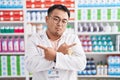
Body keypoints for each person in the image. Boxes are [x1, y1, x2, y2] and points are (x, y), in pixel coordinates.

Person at [25, 4, 86, 80]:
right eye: (56, 19)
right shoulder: (34, 39)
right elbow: (30, 65)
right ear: (47, 19)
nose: (60, 24)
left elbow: (81, 64)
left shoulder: (72, 39)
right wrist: (60, 56)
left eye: (64, 21)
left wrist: (55, 56)